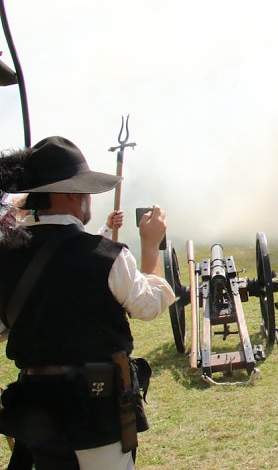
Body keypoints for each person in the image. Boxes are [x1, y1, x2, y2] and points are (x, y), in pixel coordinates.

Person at [0, 136, 176, 469]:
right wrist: (150, 247)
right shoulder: (105, 256)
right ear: (68, 193)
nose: (88, 200)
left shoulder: (5, 258)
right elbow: (148, 306)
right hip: (97, 418)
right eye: (83, 191)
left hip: (36, 420)